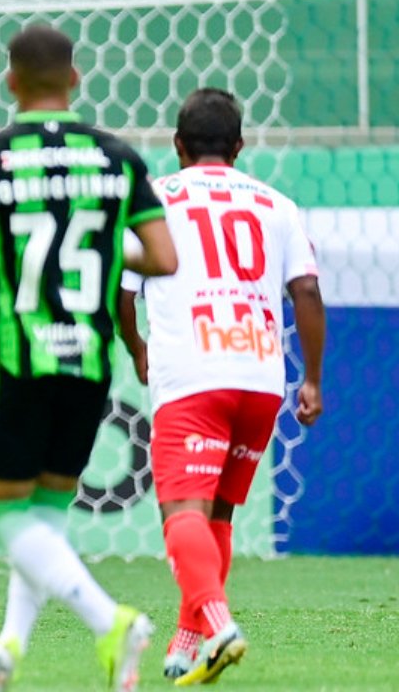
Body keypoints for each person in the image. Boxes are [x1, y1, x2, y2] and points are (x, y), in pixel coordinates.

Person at [0, 25, 178, 692]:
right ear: (76, 78)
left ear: (10, 81)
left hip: (20, 357)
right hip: (91, 361)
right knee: (44, 514)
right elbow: (162, 258)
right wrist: (97, 253)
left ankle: (111, 620)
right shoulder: (117, 158)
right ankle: (7, 649)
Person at [117, 88, 325, 685]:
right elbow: (306, 293)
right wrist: (311, 378)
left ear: (178, 146)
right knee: (220, 515)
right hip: (261, 378)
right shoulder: (277, 205)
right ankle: (187, 642)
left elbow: (122, 292)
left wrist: (138, 348)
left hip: (192, 373)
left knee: (181, 509)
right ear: (239, 146)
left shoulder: (153, 199)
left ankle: (218, 623)